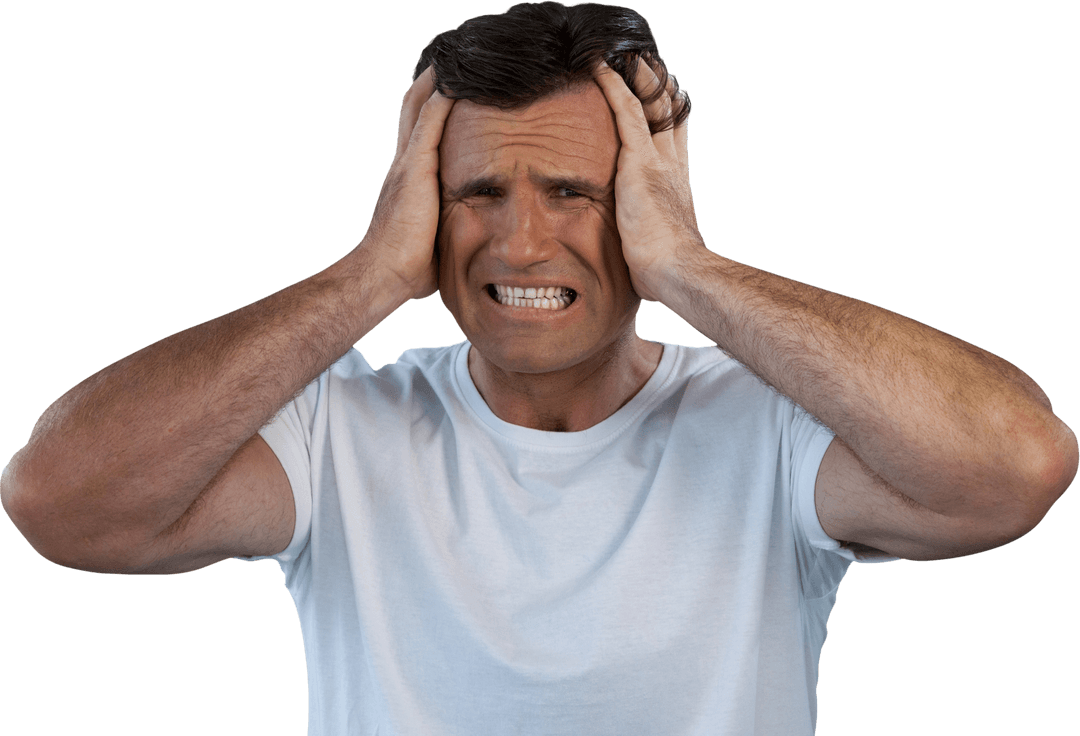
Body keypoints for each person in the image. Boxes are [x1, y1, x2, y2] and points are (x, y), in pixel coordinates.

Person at [1, 2, 1075, 734]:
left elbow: (1015, 466)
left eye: (573, 192)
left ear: (644, 202)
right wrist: (366, 281)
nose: (517, 246)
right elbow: (61, 503)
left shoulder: (770, 427)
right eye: (478, 194)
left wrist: (690, 267)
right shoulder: (338, 435)